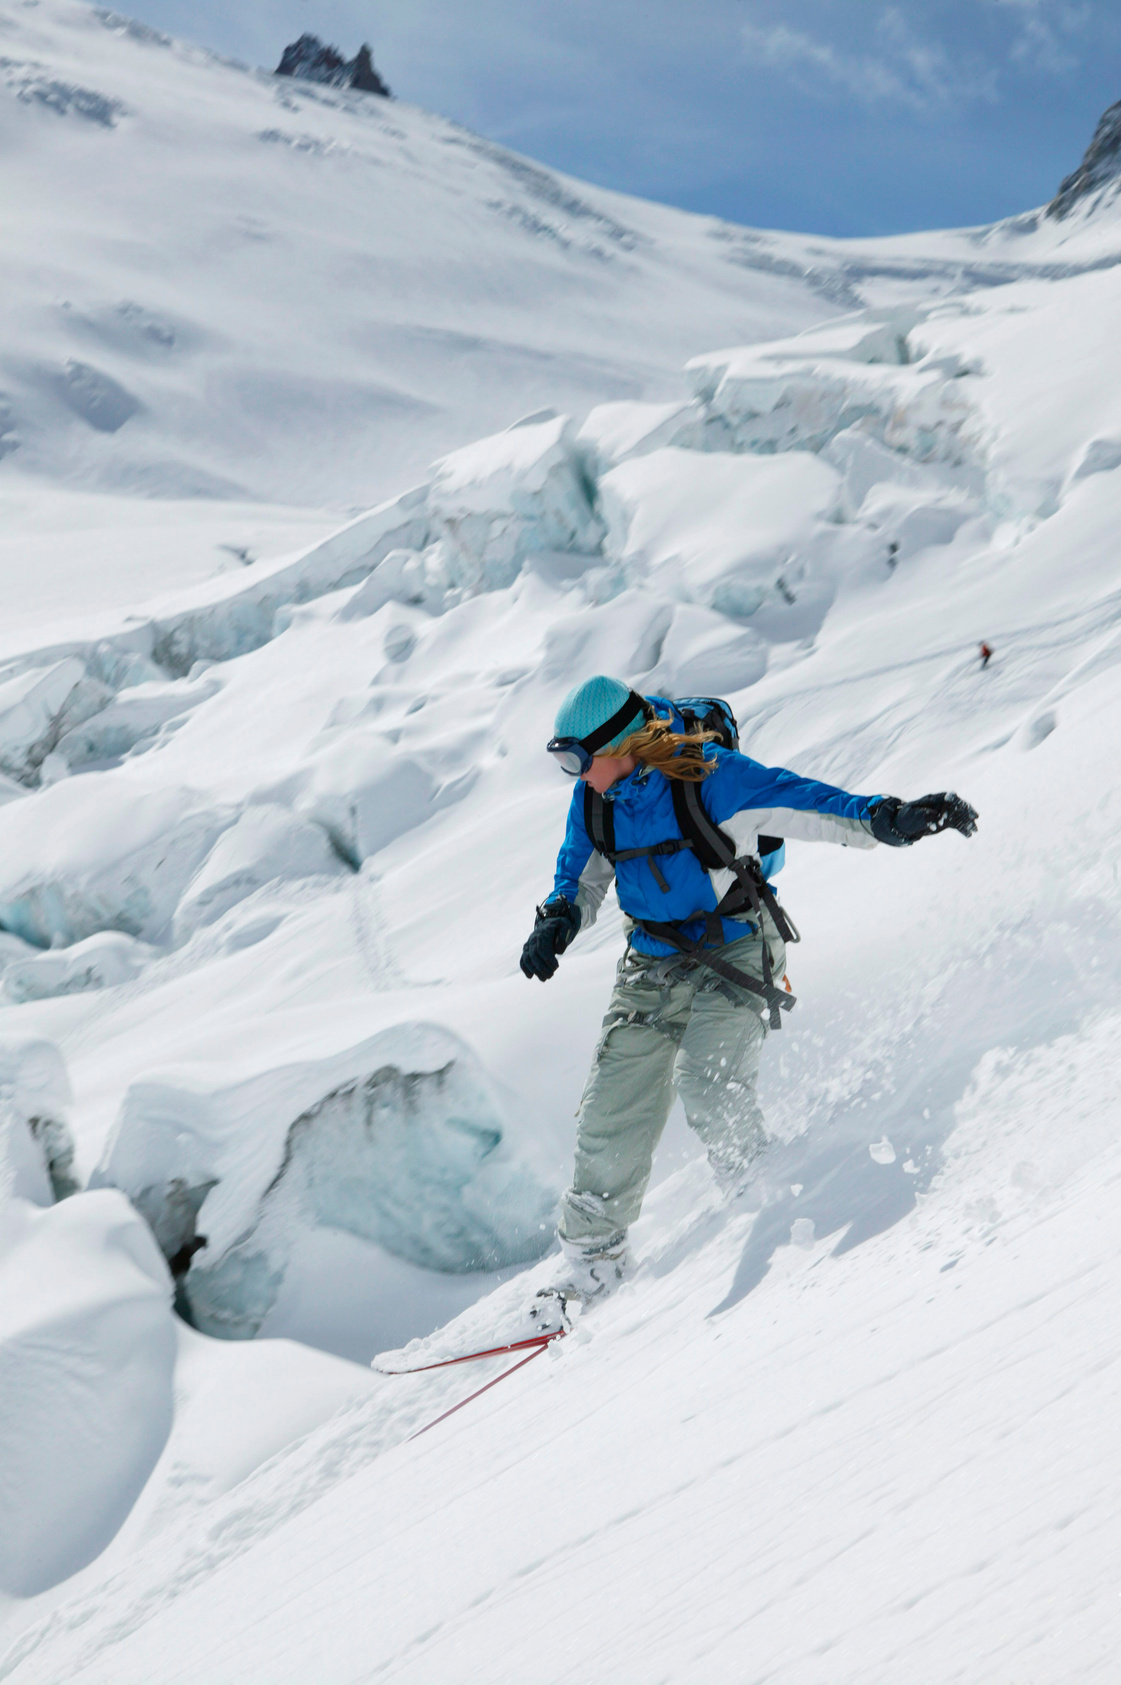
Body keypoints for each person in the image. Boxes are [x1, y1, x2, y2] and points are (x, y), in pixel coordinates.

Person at [520, 675, 977, 1317]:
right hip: (651, 960)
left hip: (734, 947)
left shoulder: (713, 777)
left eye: (578, 760)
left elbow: (808, 804)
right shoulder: (595, 800)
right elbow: (580, 872)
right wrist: (558, 918)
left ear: (622, 744)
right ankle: (594, 1266)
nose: (574, 775)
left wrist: (888, 817)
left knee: (708, 1079)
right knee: (610, 1107)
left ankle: (761, 1199)